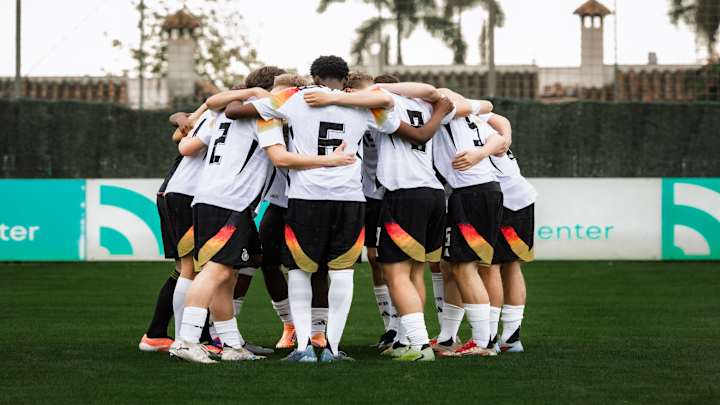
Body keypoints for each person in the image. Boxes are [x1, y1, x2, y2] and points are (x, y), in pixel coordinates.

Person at [225, 55, 406, 362]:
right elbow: (390, 116)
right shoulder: (362, 103)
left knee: (299, 269)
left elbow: (234, 112)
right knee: (341, 271)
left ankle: (303, 348)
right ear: (346, 78)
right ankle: (333, 348)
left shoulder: (293, 98)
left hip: (305, 196)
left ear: (313, 76)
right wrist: (354, 100)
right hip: (350, 197)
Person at [169, 66, 355, 364]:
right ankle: (186, 340)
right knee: (216, 271)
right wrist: (329, 160)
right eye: (288, 93)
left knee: (227, 274)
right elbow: (281, 158)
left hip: (214, 199)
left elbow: (208, 112)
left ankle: (231, 344)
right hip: (228, 201)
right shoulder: (264, 115)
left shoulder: (226, 113)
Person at [309, 78, 457, 362]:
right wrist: (438, 109)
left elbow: (417, 134)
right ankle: (405, 340)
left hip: (404, 195)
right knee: (414, 273)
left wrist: (336, 98)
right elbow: (435, 94)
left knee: (395, 273)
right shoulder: (426, 103)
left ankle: (420, 345)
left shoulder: (384, 106)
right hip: (434, 194)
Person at [138, 107, 203, 352]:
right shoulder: (226, 112)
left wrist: (181, 118)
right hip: (186, 195)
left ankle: (156, 334)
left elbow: (179, 123)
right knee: (194, 268)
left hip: (172, 192)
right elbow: (179, 131)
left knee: (185, 268)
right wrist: (181, 118)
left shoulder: (217, 110)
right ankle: (185, 340)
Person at [343, 72, 399, 350]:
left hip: (391, 192)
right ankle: (389, 325)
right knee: (374, 258)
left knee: (394, 261)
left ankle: (399, 327)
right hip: (365, 195)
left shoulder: (387, 111)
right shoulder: (350, 113)